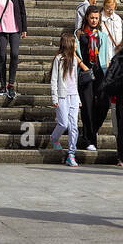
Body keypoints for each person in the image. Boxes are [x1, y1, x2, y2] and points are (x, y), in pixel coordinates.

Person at [75, 5, 111, 150]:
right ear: (87, 18)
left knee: (104, 104)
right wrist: (82, 65)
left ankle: (90, 131)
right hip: (85, 72)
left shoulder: (102, 35)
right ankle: (90, 140)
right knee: (88, 106)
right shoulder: (79, 34)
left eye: (96, 18)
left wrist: (108, 73)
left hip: (100, 71)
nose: (94, 20)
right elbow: (74, 53)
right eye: (92, 18)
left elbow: (106, 56)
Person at [50, 30, 80, 166]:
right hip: (62, 95)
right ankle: (54, 137)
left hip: (73, 95)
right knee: (64, 123)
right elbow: (54, 78)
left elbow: (75, 79)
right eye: (75, 43)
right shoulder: (59, 59)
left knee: (74, 125)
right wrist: (54, 97)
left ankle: (71, 153)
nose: (77, 45)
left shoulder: (74, 60)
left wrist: (78, 97)